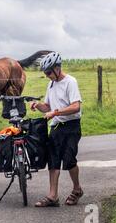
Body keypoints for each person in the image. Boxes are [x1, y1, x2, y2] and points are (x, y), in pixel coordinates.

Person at [30, 52, 84, 207]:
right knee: (53, 161)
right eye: (45, 73)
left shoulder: (70, 82)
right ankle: (53, 196)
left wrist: (56, 112)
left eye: (48, 72)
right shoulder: (51, 84)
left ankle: (77, 189)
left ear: (57, 68)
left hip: (71, 126)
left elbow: (76, 106)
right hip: (56, 127)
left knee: (69, 160)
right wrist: (39, 105)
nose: (47, 75)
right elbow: (47, 106)